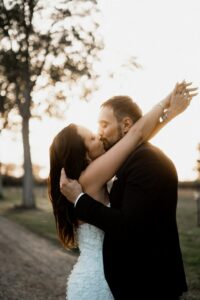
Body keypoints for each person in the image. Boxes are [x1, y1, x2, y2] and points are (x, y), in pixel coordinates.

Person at [50, 81, 197, 300]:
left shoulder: (91, 175)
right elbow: (134, 135)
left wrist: (168, 116)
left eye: (101, 127)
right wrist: (166, 102)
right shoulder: (89, 178)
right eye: (92, 137)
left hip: (106, 279)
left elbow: (133, 139)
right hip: (99, 281)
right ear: (83, 155)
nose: (99, 136)